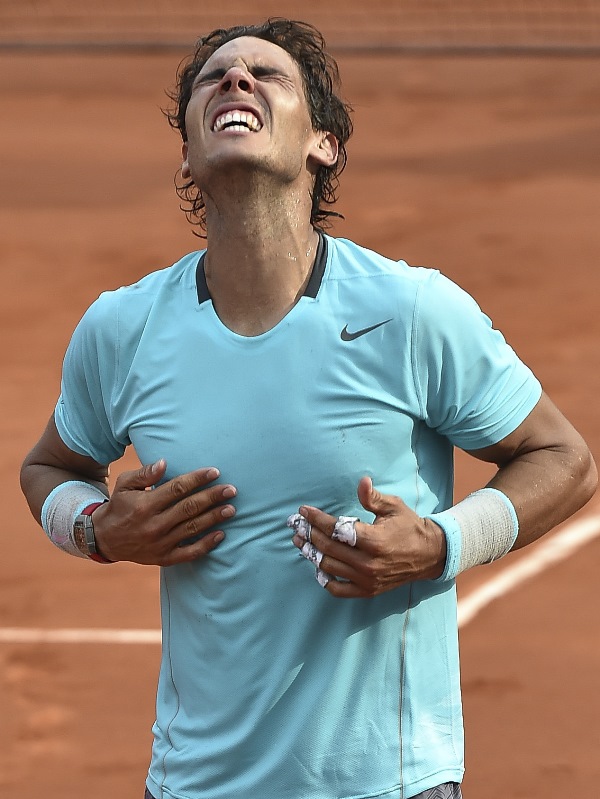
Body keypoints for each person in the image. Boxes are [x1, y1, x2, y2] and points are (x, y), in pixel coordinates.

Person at [20, 18, 597, 799]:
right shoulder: (122, 328)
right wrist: (94, 530)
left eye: (267, 75)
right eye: (214, 77)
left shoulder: (411, 311)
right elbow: (50, 466)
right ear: (187, 154)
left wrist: (441, 543)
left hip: (388, 785)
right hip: (192, 784)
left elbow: (564, 459)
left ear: (323, 144)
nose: (235, 80)